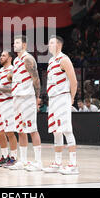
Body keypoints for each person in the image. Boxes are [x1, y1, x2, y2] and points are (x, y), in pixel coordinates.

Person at [42, 36, 79, 175]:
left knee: (67, 130)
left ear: (58, 45)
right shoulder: (51, 61)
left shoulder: (64, 59)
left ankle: (73, 164)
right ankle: (57, 163)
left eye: (51, 43)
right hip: (53, 99)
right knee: (56, 131)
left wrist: (72, 98)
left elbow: (74, 81)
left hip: (63, 96)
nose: (49, 45)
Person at [8, 35, 42, 171]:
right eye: (13, 42)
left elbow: (36, 79)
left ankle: (38, 162)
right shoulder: (16, 60)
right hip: (17, 96)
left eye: (17, 42)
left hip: (27, 97)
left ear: (24, 45)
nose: (14, 44)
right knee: (20, 130)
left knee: (32, 129)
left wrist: (37, 97)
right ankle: (23, 161)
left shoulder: (28, 58)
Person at [0, 51, 18, 168]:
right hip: (0, 104)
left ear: (10, 58)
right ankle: (4, 156)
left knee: (9, 132)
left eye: (3, 55)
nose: (1, 57)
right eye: (1, 55)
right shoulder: (1, 70)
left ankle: (13, 157)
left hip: (9, 103)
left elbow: (14, 88)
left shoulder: (13, 70)